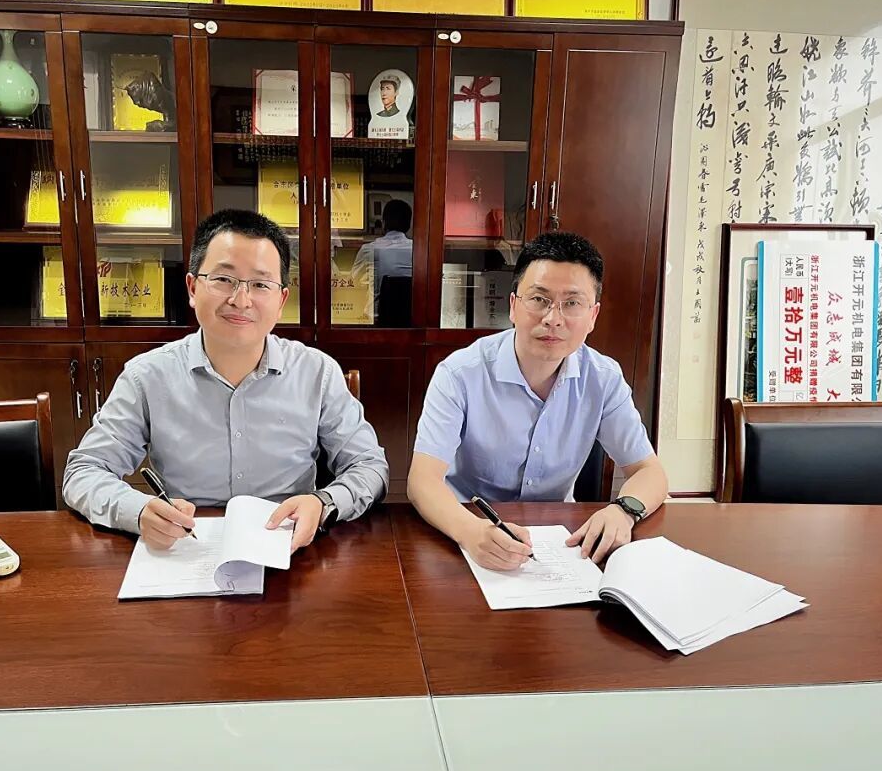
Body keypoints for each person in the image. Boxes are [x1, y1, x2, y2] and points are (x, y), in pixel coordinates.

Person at [64, 209, 389, 552]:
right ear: (192, 288)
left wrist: (323, 503)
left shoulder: (317, 373)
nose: (241, 300)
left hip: (289, 547)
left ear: (281, 300)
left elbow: (369, 466)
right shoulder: (147, 377)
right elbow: (84, 471)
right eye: (223, 279)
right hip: (185, 548)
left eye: (260, 284)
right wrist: (139, 510)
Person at [407, 232, 668, 569]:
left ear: (593, 316)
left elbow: (650, 471)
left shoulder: (603, 378)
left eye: (572, 303)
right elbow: (422, 481)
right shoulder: (460, 374)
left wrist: (624, 510)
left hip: (561, 542)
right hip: (467, 531)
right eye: (539, 299)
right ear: (513, 306)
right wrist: (470, 531)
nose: (552, 319)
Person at [350, 199, 413, 324]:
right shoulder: (419, 251)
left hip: (376, 320)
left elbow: (354, 280)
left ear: (384, 223)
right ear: (408, 224)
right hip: (411, 321)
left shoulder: (369, 249)